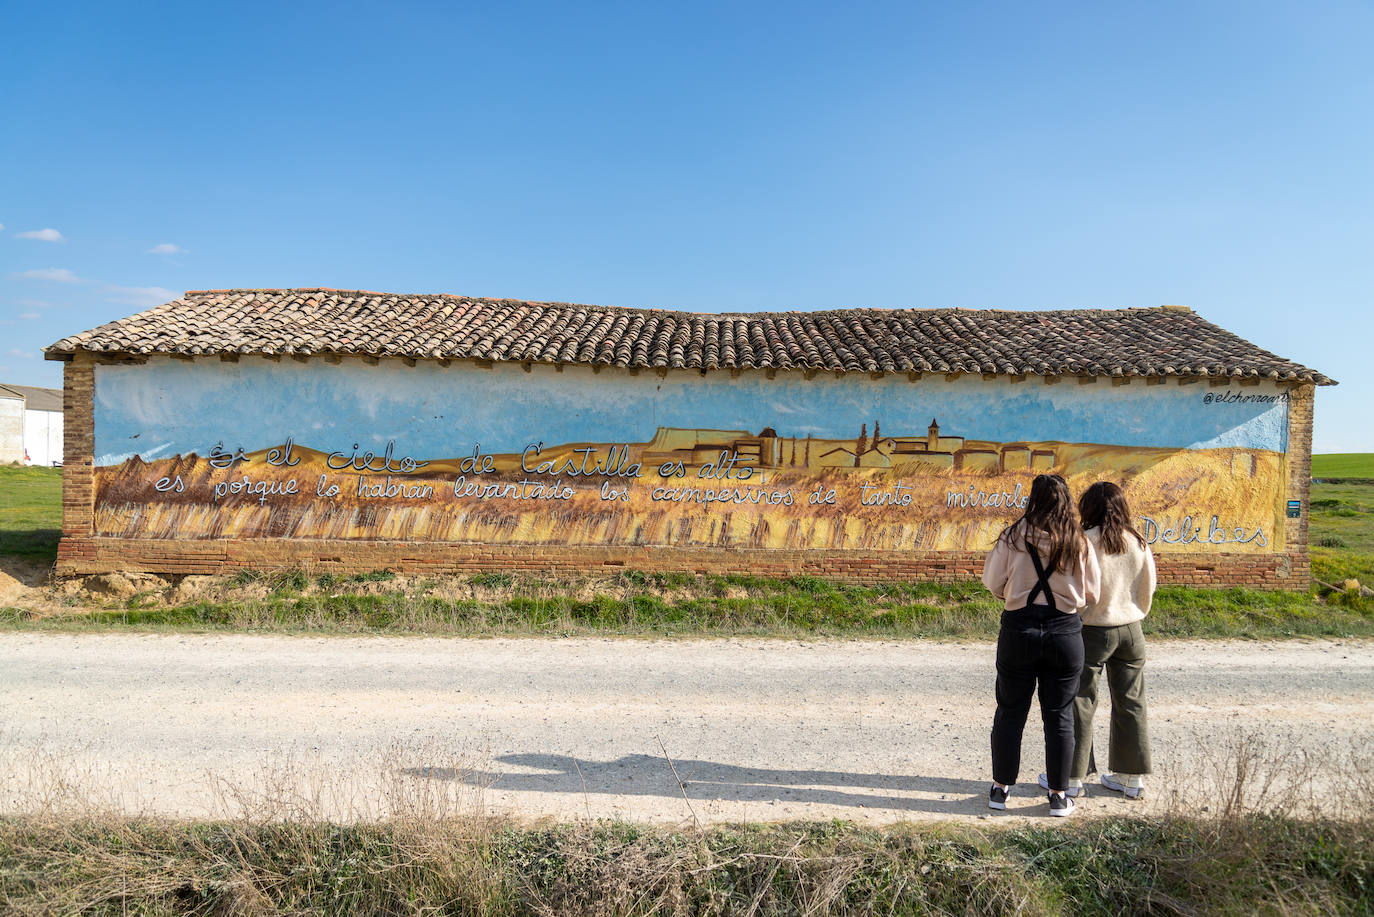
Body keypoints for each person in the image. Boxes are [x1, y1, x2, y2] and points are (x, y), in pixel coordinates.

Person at [982, 474, 1101, 817]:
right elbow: (1093, 592)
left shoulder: (1014, 535)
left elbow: (992, 582)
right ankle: (1059, 795)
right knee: (1060, 715)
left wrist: (1014, 592)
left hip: (1019, 629)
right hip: (1065, 632)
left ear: (1033, 499)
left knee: (1009, 711)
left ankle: (1000, 789)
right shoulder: (1078, 541)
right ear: (1066, 500)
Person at [1041, 480, 1156, 799]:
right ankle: (1131, 779)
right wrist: (1135, 612)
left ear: (1088, 507)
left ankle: (1073, 777)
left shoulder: (1084, 541)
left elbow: (1073, 586)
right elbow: (1149, 587)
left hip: (1092, 628)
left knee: (1080, 699)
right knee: (1131, 701)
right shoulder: (1138, 541)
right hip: (1131, 629)